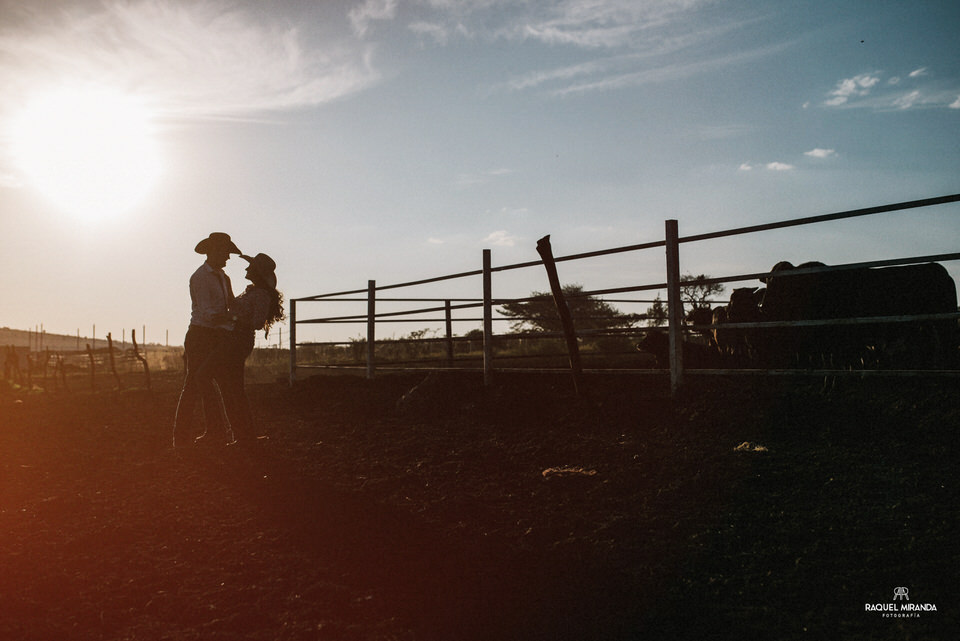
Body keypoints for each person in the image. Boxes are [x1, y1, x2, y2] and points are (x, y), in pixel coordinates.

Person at [172, 232, 241, 448]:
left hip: (215, 335)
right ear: (214, 252)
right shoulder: (200, 277)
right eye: (225, 253)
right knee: (194, 384)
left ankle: (215, 432)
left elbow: (230, 304)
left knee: (213, 383)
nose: (228, 258)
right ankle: (182, 438)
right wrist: (236, 317)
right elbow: (211, 313)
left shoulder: (223, 277)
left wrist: (242, 305)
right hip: (201, 335)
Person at [216, 252, 284, 445]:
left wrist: (232, 319)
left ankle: (244, 435)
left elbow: (256, 322)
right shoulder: (253, 292)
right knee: (232, 387)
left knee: (233, 387)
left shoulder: (261, 295)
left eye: (250, 267)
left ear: (257, 272)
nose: (246, 269)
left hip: (239, 341)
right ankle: (243, 434)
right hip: (234, 339)